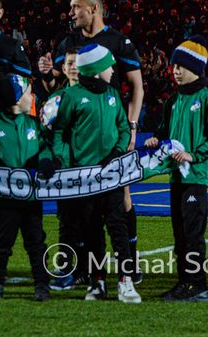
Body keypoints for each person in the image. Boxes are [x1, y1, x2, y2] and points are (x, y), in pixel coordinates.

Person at [38, 0, 144, 282]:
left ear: (94, 9)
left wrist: (132, 125)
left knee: (120, 196)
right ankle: (79, 267)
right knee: (74, 204)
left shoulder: (118, 42)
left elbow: (137, 86)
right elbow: (56, 90)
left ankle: (129, 263)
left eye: (76, 7)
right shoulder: (67, 42)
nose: (70, 12)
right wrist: (48, 74)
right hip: (75, 135)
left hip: (110, 129)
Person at [42, 44, 139, 303]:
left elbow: (122, 127)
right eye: (108, 66)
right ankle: (97, 282)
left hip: (111, 176)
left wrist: (116, 153)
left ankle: (125, 281)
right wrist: (65, 161)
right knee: (92, 231)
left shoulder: (113, 94)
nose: (112, 70)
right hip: (84, 180)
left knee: (118, 230)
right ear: (97, 70)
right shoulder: (71, 96)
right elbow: (60, 132)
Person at [143, 37, 208, 302]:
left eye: (181, 66)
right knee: (180, 236)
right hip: (175, 177)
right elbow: (164, 132)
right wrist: (156, 139)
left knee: (192, 235)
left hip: (195, 178)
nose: (175, 70)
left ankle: (198, 285)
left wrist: (195, 154)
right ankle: (184, 283)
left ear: (196, 68)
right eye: (174, 66)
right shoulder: (173, 101)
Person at [0, 74, 49, 301]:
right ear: (16, 99)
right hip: (4, 200)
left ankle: (42, 285)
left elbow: (45, 147)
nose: (32, 96)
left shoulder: (32, 124)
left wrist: (46, 160)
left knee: (37, 242)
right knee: (1, 243)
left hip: (30, 199)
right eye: (28, 92)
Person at [41, 48, 82, 291]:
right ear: (64, 68)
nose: (74, 66)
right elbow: (47, 134)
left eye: (78, 62)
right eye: (69, 63)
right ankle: (67, 269)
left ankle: (86, 271)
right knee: (66, 220)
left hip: (90, 170)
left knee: (89, 222)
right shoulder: (56, 99)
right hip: (66, 171)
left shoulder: (95, 95)